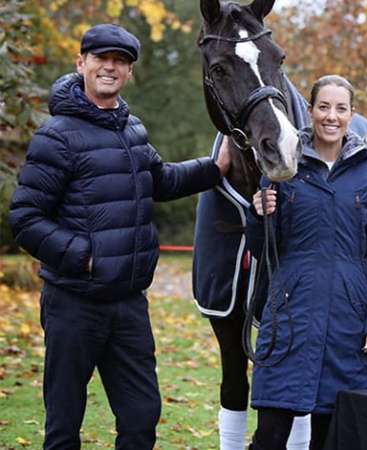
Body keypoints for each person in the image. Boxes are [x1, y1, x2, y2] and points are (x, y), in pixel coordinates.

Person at [8, 23, 228, 450]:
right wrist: (83, 256)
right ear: (82, 63)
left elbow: (160, 181)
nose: (110, 67)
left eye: (121, 61)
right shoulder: (57, 135)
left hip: (128, 306)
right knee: (64, 424)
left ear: (129, 72)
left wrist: (213, 168)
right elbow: (26, 217)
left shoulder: (132, 130)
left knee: (142, 418)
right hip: (73, 303)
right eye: (101, 59)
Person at [191, 75, 367, 450]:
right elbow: (264, 249)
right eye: (323, 107)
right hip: (290, 321)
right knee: (269, 439)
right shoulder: (281, 171)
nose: (331, 116)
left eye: (341, 109)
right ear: (309, 112)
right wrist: (259, 217)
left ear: (351, 115)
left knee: (334, 439)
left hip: (348, 326)